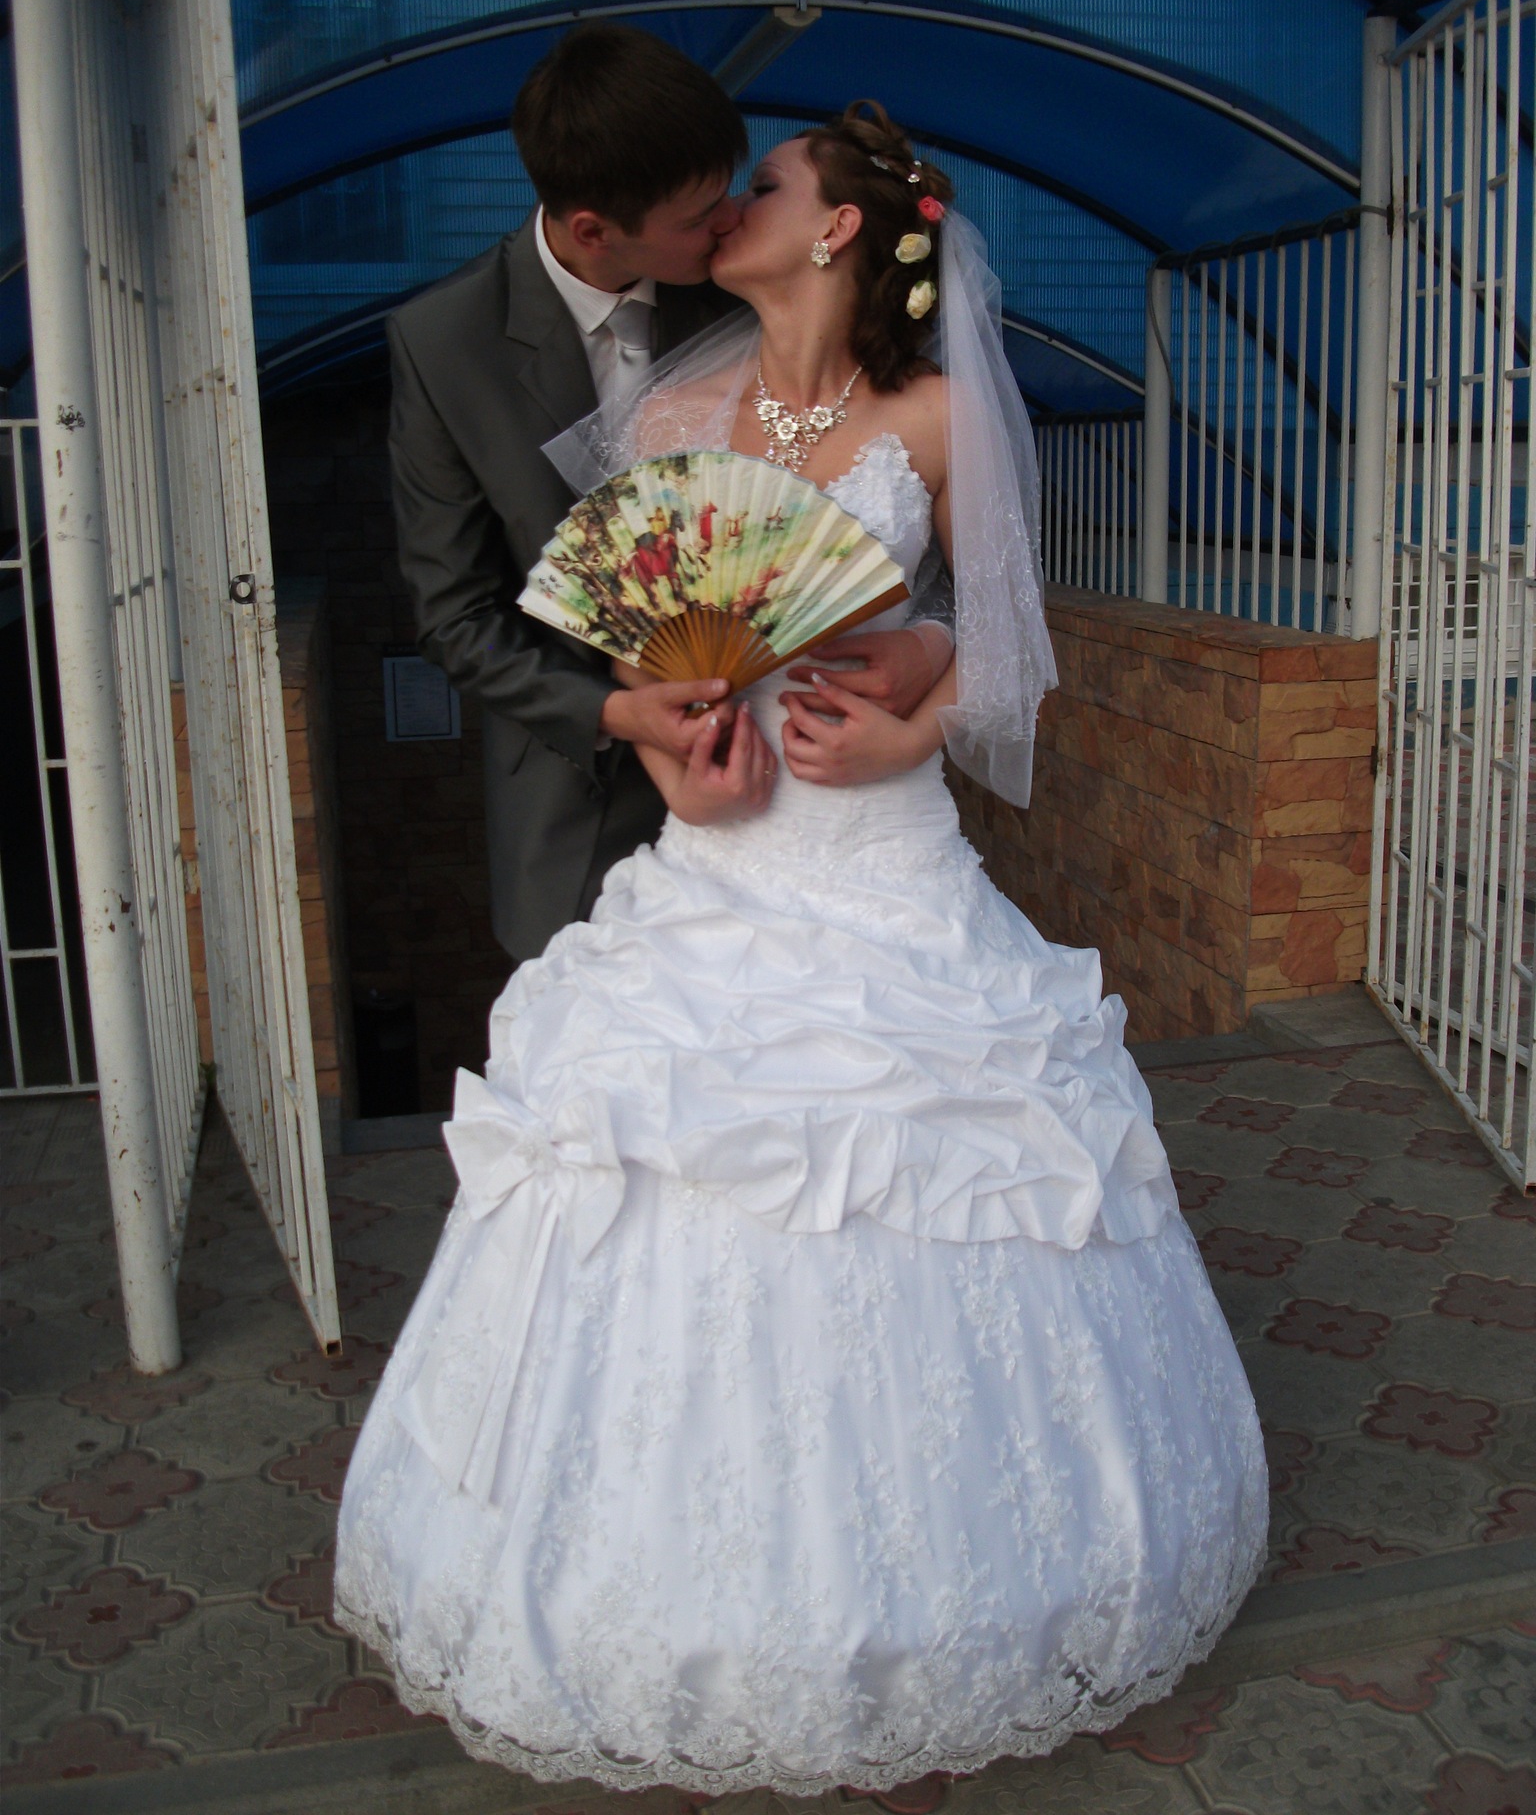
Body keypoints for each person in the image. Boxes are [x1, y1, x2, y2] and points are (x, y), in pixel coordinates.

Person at [336, 104, 1268, 1792]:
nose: (731, 201)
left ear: (838, 227)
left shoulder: (937, 417)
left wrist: (913, 721)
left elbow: (1010, 653)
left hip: (887, 862)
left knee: (935, 1168)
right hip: (716, 864)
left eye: (764, 182)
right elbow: (643, 640)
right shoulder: (667, 416)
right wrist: (673, 761)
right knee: (665, 1169)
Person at [388, 24, 949, 962]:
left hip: (828, 800)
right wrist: (620, 716)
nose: (728, 220)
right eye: (699, 214)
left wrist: (928, 645)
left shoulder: (754, 279)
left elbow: (944, 563)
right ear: (594, 232)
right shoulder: (444, 344)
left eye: (737, 191)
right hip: (580, 789)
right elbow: (456, 616)